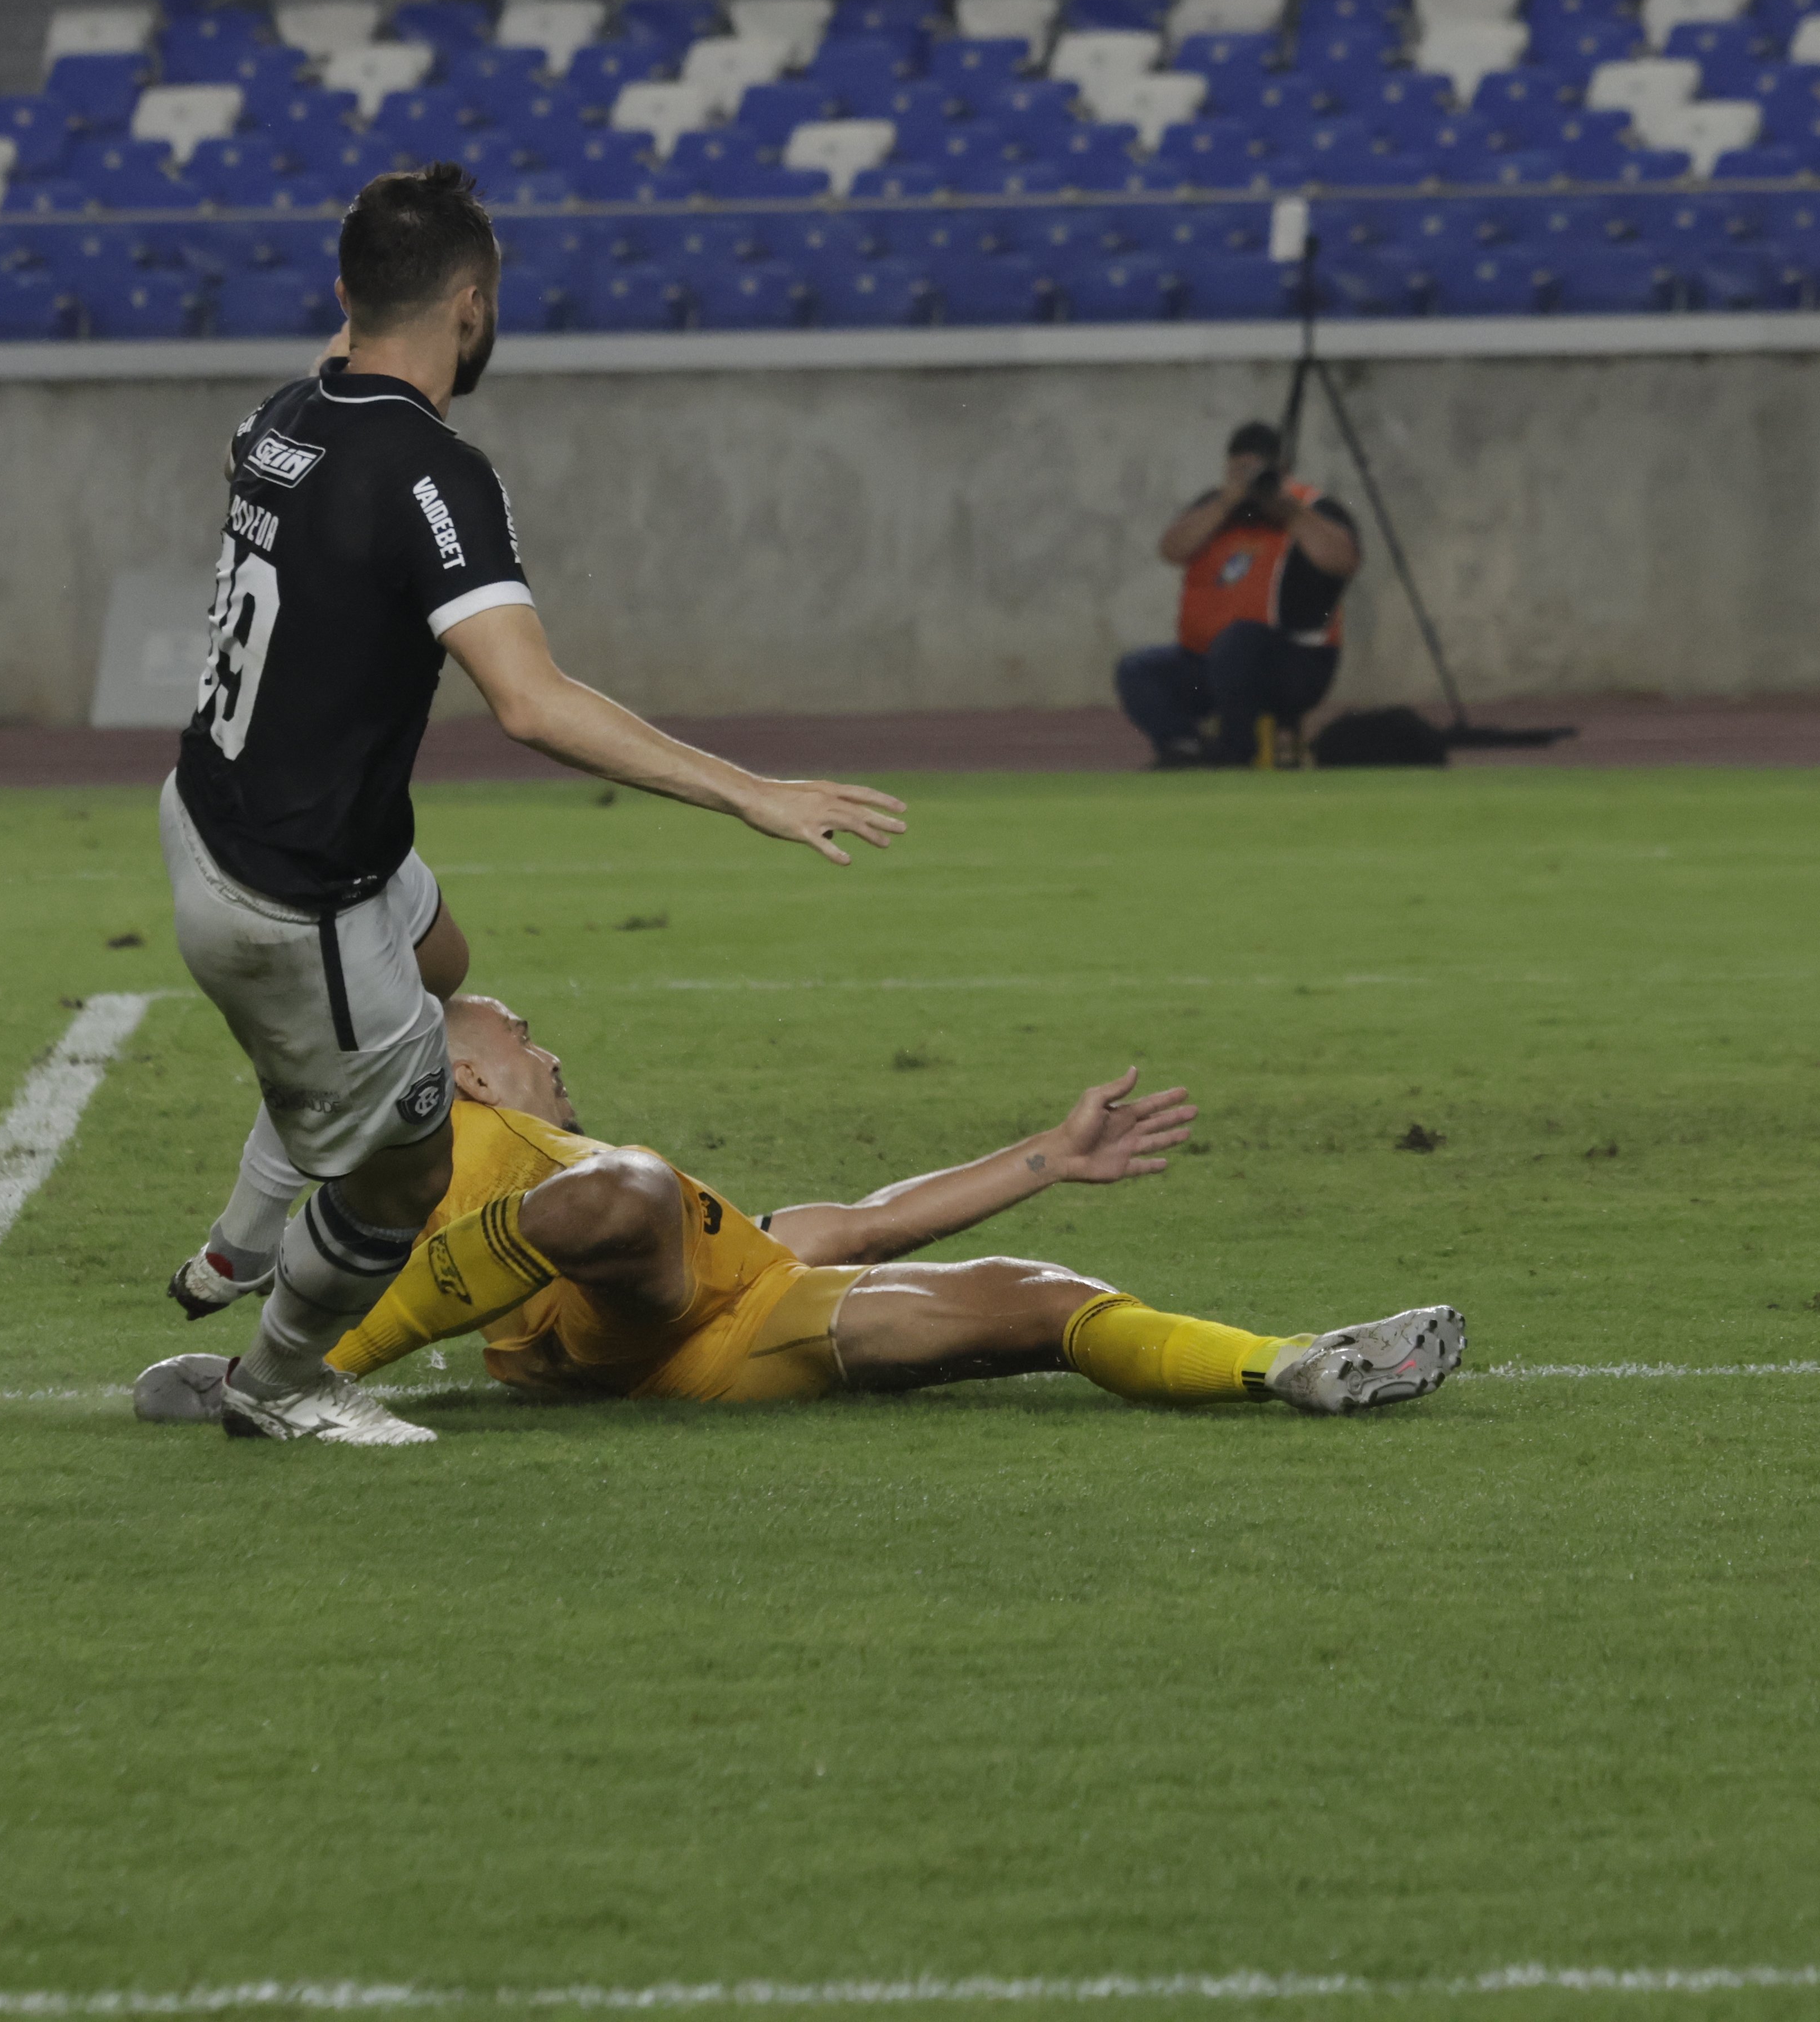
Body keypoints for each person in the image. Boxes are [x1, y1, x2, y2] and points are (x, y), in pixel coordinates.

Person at [158, 164, 909, 1445]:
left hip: (215, 801)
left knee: (447, 961)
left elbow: (366, 318)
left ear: (345, 298)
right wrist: (750, 793)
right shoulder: (434, 474)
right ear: (473, 305)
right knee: (406, 1169)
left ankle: (239, 1236)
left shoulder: (282, 413)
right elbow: (532, 701)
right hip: (295, 898)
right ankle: (278, 1379)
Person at [133, 995, 1465, 1430]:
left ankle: (1288, 1361)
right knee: (633, 1188)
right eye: (522, 1033)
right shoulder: (441, 1123)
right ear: (466, 1067)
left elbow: (861, 1220)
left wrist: (1041, 1159)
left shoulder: (612, 1172)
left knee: (1042, 1295)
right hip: (603, 1298)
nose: (544, 1046)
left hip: (733, 1324)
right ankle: (298, 1382)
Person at [1115, 419, 1361, 769]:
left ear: (1282, 471)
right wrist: (1224, 504)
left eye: (1255, 472)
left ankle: (1236, 751)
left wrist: (1288, 511)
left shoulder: (1313, 508)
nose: (1248, 483)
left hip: (1292, 667)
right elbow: (1173, 549)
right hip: (1209, 666)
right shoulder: (1215, 507)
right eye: (1238, 472)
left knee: (1238, 641)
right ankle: (1185, 748)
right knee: (1137, 670)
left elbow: (1344, 560)